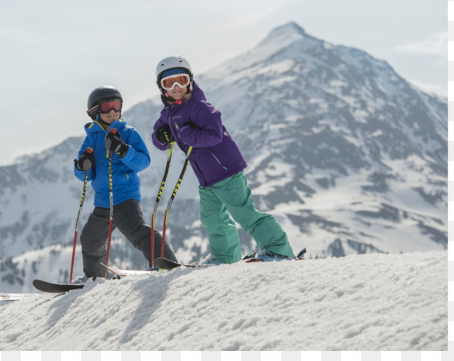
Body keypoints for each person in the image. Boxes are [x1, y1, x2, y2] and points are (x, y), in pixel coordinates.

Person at [150, 56, 295, 264]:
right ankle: (226, 257)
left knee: (244, 214)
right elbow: (159, 138)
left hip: (226, 171)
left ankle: (278, 249)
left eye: (180, 80)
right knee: (213, 220)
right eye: (168, 83)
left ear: (190, 81)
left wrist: (187, 135)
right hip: (206, 179)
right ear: (161, 87)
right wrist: (162, 137)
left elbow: (215, 134)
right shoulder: (169, 113)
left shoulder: (200, 106)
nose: (175, 87)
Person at [74, 86, 178, 279]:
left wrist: (122, 150)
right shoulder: (91, 139)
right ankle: (95, 278)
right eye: (107, 106)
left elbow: (143, 161)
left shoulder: (128, 133)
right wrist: (83, 166)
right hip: (103, 202)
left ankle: (167, 265)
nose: (113, 111)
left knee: (139, 233)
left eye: (117, 105)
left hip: (124, 197)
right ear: (95, 111)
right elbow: (83, 177)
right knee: (89, 239)